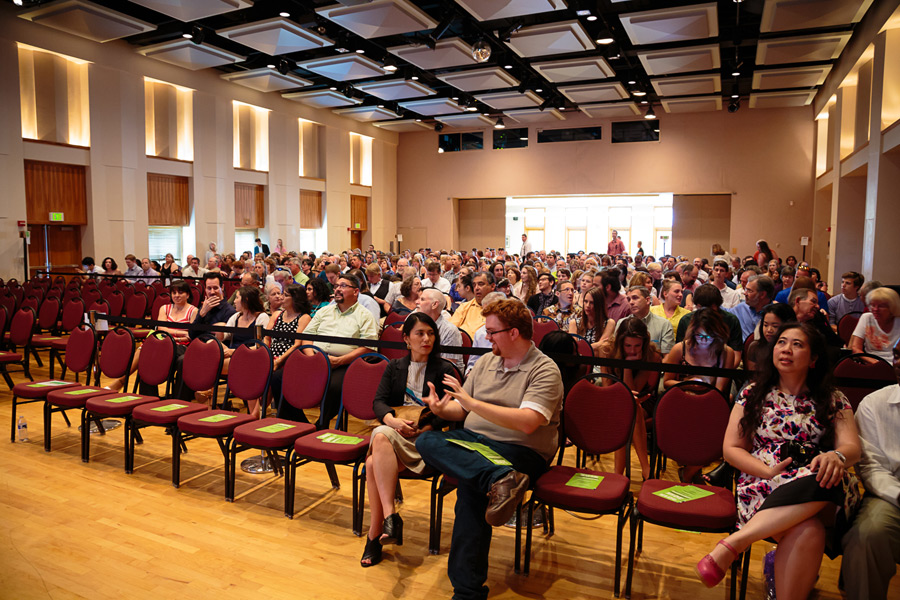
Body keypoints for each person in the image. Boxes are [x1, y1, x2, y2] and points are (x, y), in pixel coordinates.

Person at [696, 323, 861, 598]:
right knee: (810, 530)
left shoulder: (832, 398)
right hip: (764, 482)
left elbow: (852, 448)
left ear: (814, 359)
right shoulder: (753, 392)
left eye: (797, 344)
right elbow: (731, 450)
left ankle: (736, 542)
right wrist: (768, 471)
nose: (786, 349)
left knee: (829, 475)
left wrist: (837, 455)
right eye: (782, 342)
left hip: (816, 482)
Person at [416, 299, 564, 600]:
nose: (487, 336)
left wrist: (470, 404)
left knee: (470, 491)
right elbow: (464, 412)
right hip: (479, 446)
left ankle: (467, 592)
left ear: (514, 333)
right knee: (426, 440)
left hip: (521, 451)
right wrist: (443, 409)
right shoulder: (486, 362)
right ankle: (499, 479)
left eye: (492, 331)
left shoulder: (544, 369)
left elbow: (528, 423)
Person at [360, 313, 459, 567]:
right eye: (420, 333)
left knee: (373, 459)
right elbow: (378, 402)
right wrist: (392, 421)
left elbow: (454, 410)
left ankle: (377, 533)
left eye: (431, 333)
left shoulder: (444, 369)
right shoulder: (394, 367)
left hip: (428, 442)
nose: (427, 339)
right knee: (382, 434)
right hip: (396, 436)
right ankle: (388, 521)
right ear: (406, 339)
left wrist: (425, 427)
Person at [841, 339, 900, 600]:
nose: (898, 364)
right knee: (866, 537)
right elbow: (871, 468)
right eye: (897, 355)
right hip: (891, 495)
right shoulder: (874, 405)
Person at [302, 274, 379, 428]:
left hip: (345, 363)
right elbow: (306, 336)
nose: (337, 289)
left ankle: (321, 424)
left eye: (343, 286)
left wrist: (339, 361)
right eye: (336, 286)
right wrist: (312, 358)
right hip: (316, 359)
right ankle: (297, 423)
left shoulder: (365, 315)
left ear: (356, 291)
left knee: (333, 386)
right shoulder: (324, 311)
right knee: (280, 377)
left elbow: (368, 347)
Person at [104, 280, 198, 393]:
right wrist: (181, 332)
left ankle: (121, 380)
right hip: (162, 341)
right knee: (146, 350)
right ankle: (146, 395)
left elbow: (190, 336)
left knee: (147, 350)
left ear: (187, 295)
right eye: (174, 293)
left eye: (180, 293)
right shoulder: (164, 308)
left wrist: (175, 337)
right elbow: (161, 328)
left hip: (181, 345)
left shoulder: (193, 311)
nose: (177, 296)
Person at [602, 318, 660, 480]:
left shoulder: (651, 356)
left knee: (631, 408)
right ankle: (646, 469)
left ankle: (618, 475)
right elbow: (607, 388)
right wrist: (626, 363)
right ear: (621, 343)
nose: (633, 351)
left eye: (637, 346)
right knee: (628, 408)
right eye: (628, 346)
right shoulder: (607, 350)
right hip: (613, 398)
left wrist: (627, 366)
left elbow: (635, 390)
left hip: (643, 400)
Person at [220, 286, 270, 417]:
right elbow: (223, 336)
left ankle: (207, 396)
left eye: (237, 298)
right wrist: (218, 328)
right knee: (211, 345)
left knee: (243, 366)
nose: (234, 301)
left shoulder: (262, 317)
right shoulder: (236, 317)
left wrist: (236, 352)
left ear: (246, 300)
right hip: (233, 354)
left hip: (252, 356)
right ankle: (209, 399)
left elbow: (261, 345)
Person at [265, 285, 313, 421]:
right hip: (271, 355)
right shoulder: (276, 315)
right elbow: (267, 337)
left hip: (291, 358)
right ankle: (256, 414)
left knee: (275, 376)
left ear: (295, 299)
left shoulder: (304, 318)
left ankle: (285, 416)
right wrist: (266, 355)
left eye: (285, 295)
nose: (281, 297)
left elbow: (297, 344)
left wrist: (279, 360)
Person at [615, 286, 674, 355]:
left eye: (635, 298)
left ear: (647, 300)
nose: (631, 302)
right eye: (628, 299)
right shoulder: (621, 323)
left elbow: (666, 356)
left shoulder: (664, 324)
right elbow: (616, 351)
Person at [416, 288, 463, 370]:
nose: (417, 302)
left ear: (434, 304)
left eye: (422, 299)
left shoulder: (450, 331)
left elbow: (447, 366)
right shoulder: (416, 325)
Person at [850, 287, 900, 363]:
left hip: (895, 364)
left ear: (892, 307)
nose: (875, 309)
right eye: (872, 305)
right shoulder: (866, 318)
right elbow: (855, 348)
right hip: (871, 362)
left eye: (881, 306)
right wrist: (877, 364)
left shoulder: (898, 321)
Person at [745, 303, 797, 371]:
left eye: (775, 326)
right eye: (765, 325)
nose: (769, 330)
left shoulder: (794, 350)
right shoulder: (755, 347)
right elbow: (753, 376)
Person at [727, 275, 776, 342]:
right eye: (746, 289)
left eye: (749, 291)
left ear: (762, 294)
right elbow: (722, 313)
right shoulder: (742, 308)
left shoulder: (776, 315)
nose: (745, 293)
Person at [570, 287, 615, 354]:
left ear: (599, 304)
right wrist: (597, 345)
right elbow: (574, 348)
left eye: (592, 303)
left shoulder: (609, 323)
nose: (587, 305)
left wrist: (583, 348)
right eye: (585, 301)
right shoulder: (574, 323)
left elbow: (602, 348)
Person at [450, 272, 494, 339]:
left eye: (481, 284)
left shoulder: (499, 308)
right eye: (474, 285)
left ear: (492, 286)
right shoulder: (464, 307)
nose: (476, 288)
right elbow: (451, 330)